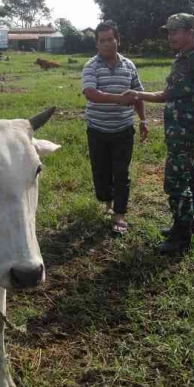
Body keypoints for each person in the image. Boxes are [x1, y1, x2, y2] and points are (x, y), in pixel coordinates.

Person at [123, 13, 194, 254]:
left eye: (175, 31)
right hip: (177, 133)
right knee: (188, 178)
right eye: (169, 32)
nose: (170, 36)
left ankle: (181, 237)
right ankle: (186, 225)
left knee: (175, 182)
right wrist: (138, 94)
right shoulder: (181, 60)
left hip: (188, 133)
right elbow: (167, 95)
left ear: (190, 31)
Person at [81, 20, 148, 235]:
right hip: (97, 130)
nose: (107, 44)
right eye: (103, 41)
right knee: (101, 173)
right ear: (97, 45)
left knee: (121, 173)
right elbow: (90, 93)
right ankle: (106, 200)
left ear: (117, 40)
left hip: (123, 130)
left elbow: (137, 94)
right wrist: (119, 99)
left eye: (111, 39)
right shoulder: (91, 66)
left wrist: (143, 120)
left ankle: (119, 214)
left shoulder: (129, 66)